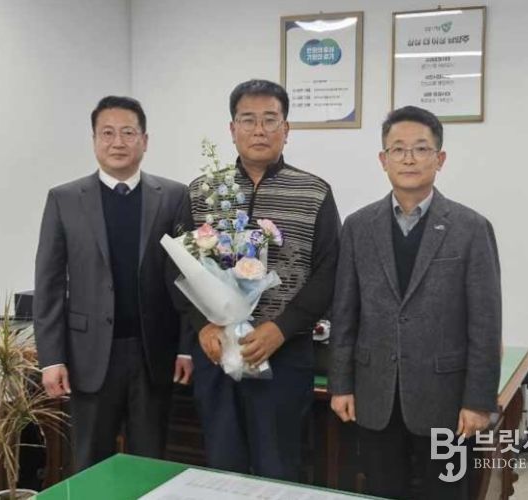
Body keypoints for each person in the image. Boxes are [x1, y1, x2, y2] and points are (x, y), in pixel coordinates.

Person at [329, 105, 501, 499]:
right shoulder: (358, 226)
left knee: (447, 493)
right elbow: (344, 313)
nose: (409, 158)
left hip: (447, 400)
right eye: (398, 149)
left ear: (440, 159)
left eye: (421, 148)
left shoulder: (471, 228)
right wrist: (341, 385)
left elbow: (486, 323)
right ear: (383, 159)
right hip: (375, 396)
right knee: (381, 491)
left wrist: (479, 401)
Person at [186, 79, 341, 481]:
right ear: (232, 128)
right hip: (217, 354)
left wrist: (281, 328)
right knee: (221, 468)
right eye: (248, 120)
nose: (259, 130)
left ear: (286, 129)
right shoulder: (203, 191)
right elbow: (179, 269)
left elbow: (329, 273)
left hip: (283, 354)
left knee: (278, 467)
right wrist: (203, 325)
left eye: (270, 120)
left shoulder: (314, 192)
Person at [33, 95, 193, 471]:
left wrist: (186, 348)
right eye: (107, 133)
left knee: (150, 464)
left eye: (128, 132)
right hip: (88, 356)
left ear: (145, 141)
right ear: (94, 140)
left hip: (153, 353)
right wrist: (51, 358)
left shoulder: (173, 196)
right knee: (90, 462)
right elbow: (49, 283)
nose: (117, 142)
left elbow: (187, 278)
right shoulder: (64, 199)